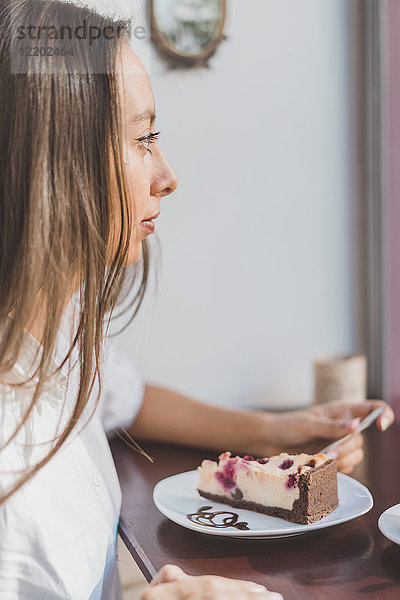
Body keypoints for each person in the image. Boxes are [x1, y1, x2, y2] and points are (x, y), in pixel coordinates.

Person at [0, 1, 394, 599]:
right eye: (143, 137)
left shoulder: (55, 338)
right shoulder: (14, 486)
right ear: (54, 164)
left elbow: (126, 399)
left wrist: (276, 432)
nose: (168, 174)